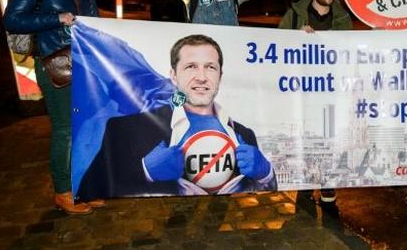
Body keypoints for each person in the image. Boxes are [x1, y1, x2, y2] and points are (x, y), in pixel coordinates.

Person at [77, 34, 277, 199]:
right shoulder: (125, 129)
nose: (201, 77)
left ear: (220, 76)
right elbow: (88, 190)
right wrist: (144, 171)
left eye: (210, 67)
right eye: (191, 66)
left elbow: (265, 190)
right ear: (173, 75)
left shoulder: (244, 134)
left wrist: (266, 173)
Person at [3, 0, 102, 215]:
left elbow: (93, 17)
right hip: (55, 63)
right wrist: (55, 18)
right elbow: (13, 20)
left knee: (88, 126)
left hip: (86, 62)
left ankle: (82, 186)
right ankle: (63, 192)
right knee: (66, 129)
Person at [278, 0, 352, 212]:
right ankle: (306, 183)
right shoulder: (296, 15)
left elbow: (349, 50)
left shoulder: (342, 18)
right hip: (303, 91)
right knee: (307, 138)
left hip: (331, 91)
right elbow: (276, 43)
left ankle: (328, 183)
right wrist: (296, 38)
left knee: (330, 139)